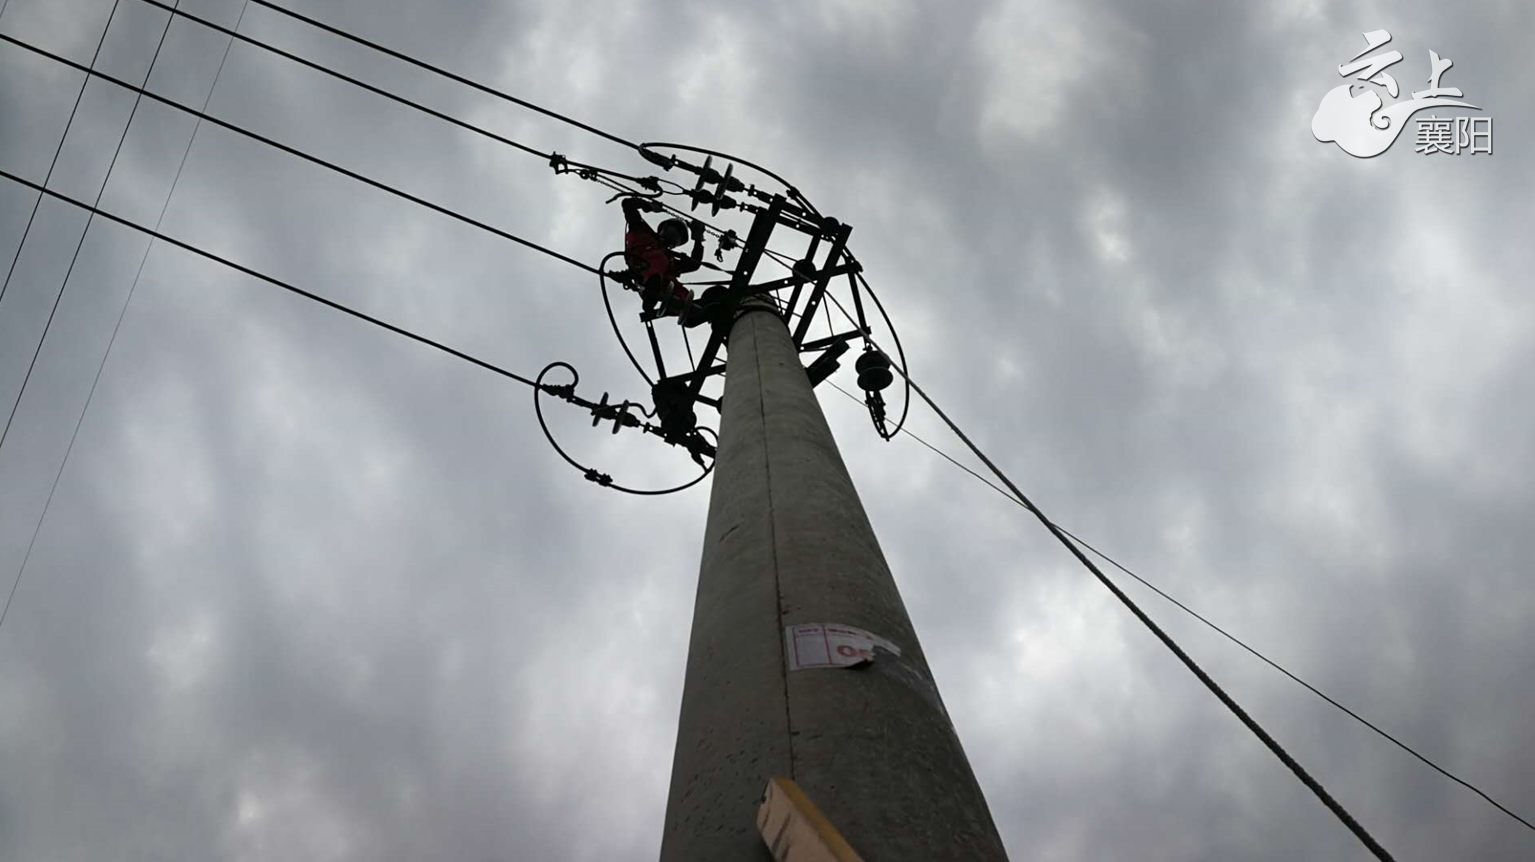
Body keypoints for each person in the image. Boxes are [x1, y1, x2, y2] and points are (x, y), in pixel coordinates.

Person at [621, 196, 714, 327]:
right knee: (659, 260)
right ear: (663, 229)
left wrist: (698, 239)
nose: (675, 237)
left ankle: (686, 309)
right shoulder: (642, 231)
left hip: (660, 281)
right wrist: (649, 206)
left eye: (678, 239)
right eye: (674, 232)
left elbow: (694, 264)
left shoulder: (670, 258)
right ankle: (653, 289)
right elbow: (628, 204)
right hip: (642, 265)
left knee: (675, 284)